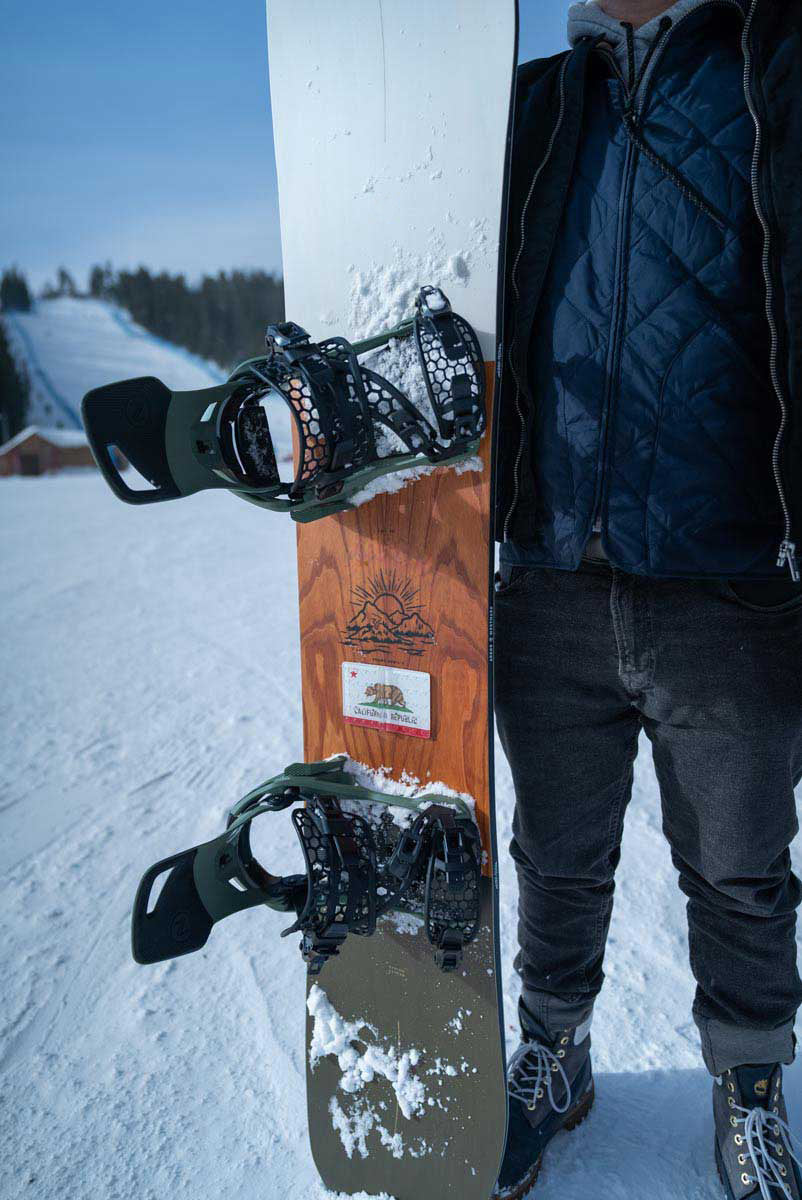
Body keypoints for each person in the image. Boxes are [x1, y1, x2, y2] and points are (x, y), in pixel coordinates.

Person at [492, 1, 802, 1196]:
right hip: (552, 569)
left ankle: (750, 1083)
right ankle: (552, 1055)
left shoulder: (771, 76)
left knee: (737, 869)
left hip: (728, 575)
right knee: (555, 856)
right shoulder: (528, 106)